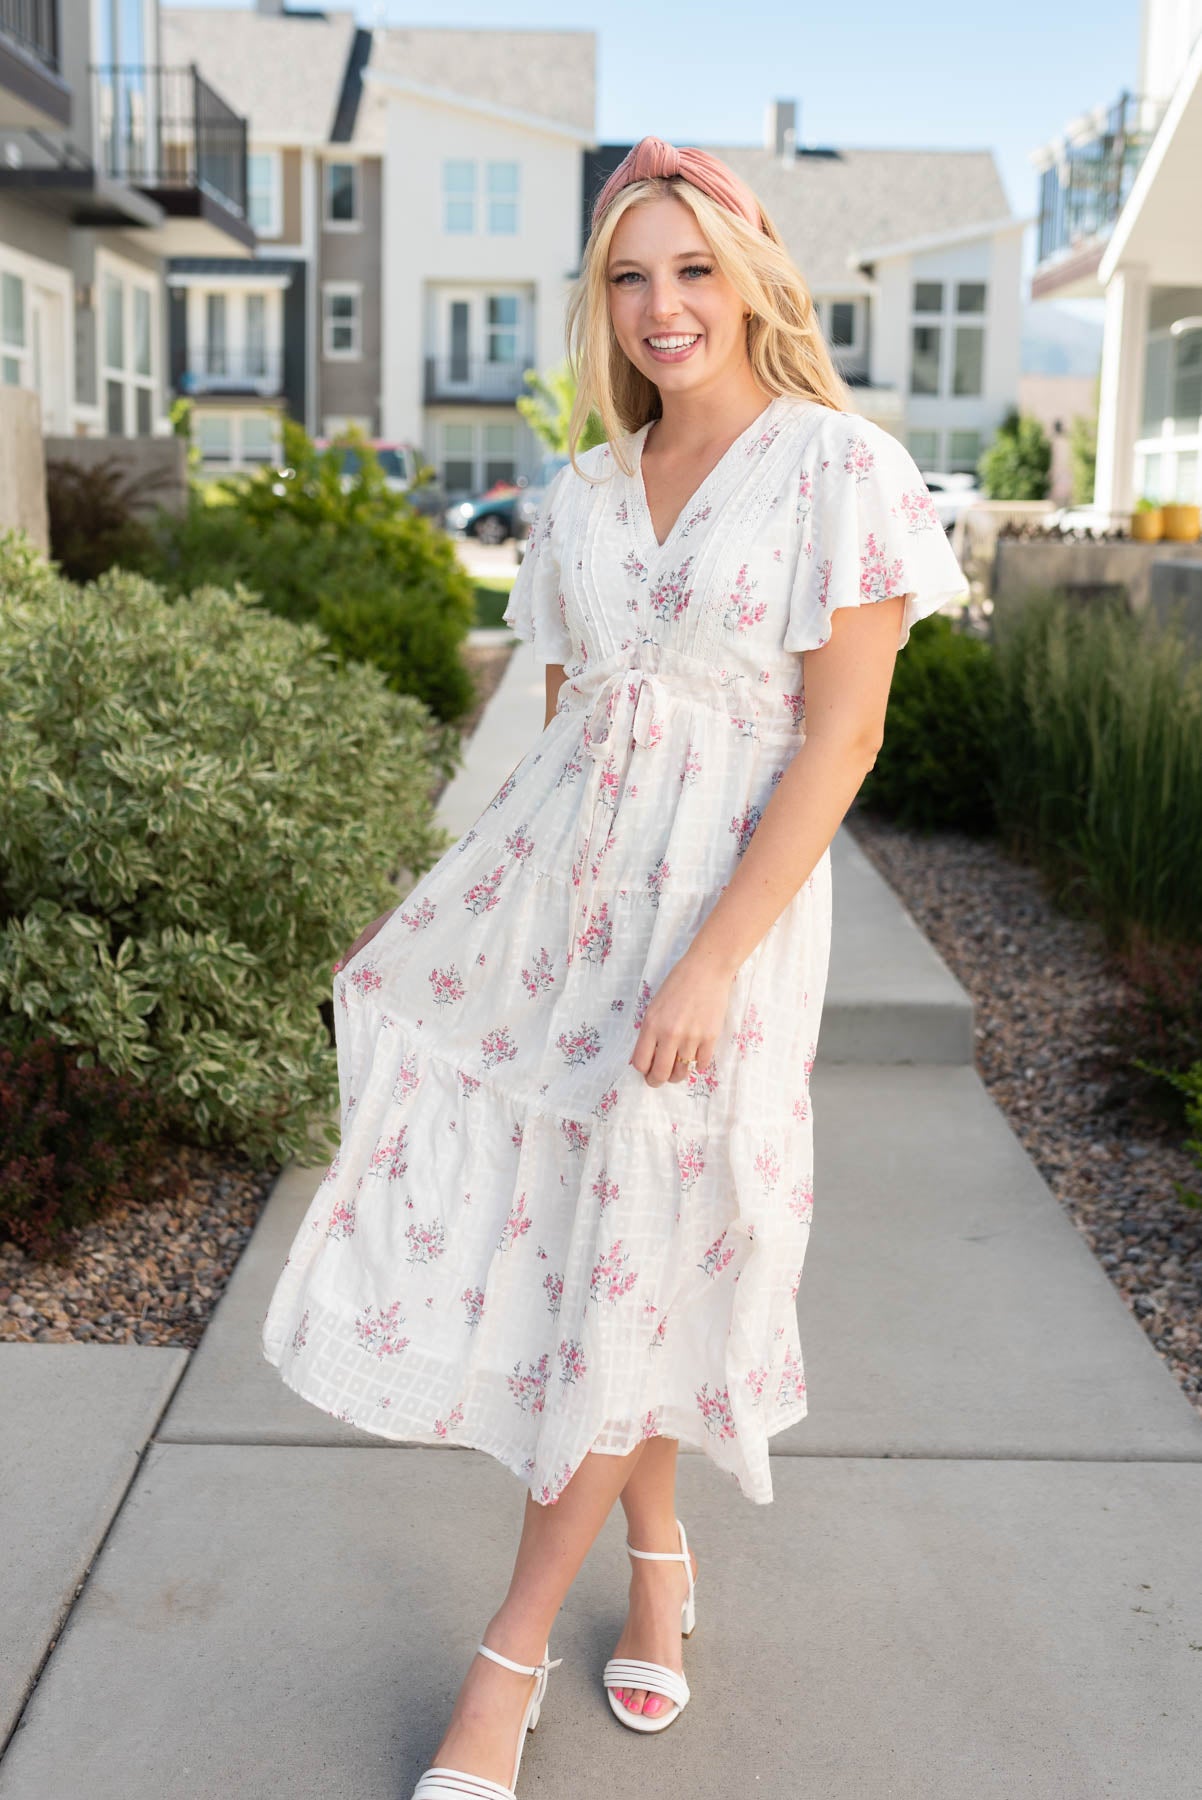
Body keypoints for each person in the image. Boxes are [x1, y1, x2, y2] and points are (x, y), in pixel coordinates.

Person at [260, 135, 969, 1797]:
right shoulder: (581, 492)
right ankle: (658, 1562)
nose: (663, 306)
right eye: (631, 276)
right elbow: (573, 729)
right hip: (566, 927)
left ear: (752, 276)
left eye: (693, 268)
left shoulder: (833, 470)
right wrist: (467, 918)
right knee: (596, 1265)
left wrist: (711, 964)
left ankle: (502, 1663)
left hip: (714, 933)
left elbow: (841, 738)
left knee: (648, 1241)